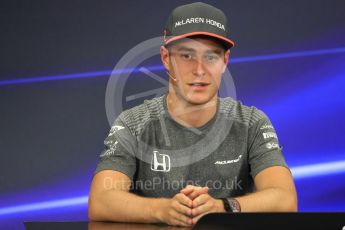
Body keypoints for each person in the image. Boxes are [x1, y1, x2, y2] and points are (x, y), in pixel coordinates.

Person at [88, 2, 297, 227]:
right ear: (166, 59)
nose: (199, 70)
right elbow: (100, 201)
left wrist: (223, 207)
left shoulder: (252, 123)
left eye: (211, 57)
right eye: (187, 56)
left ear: (225, 61)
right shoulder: (133, 124)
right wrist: (163, 209)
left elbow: (286, 200)